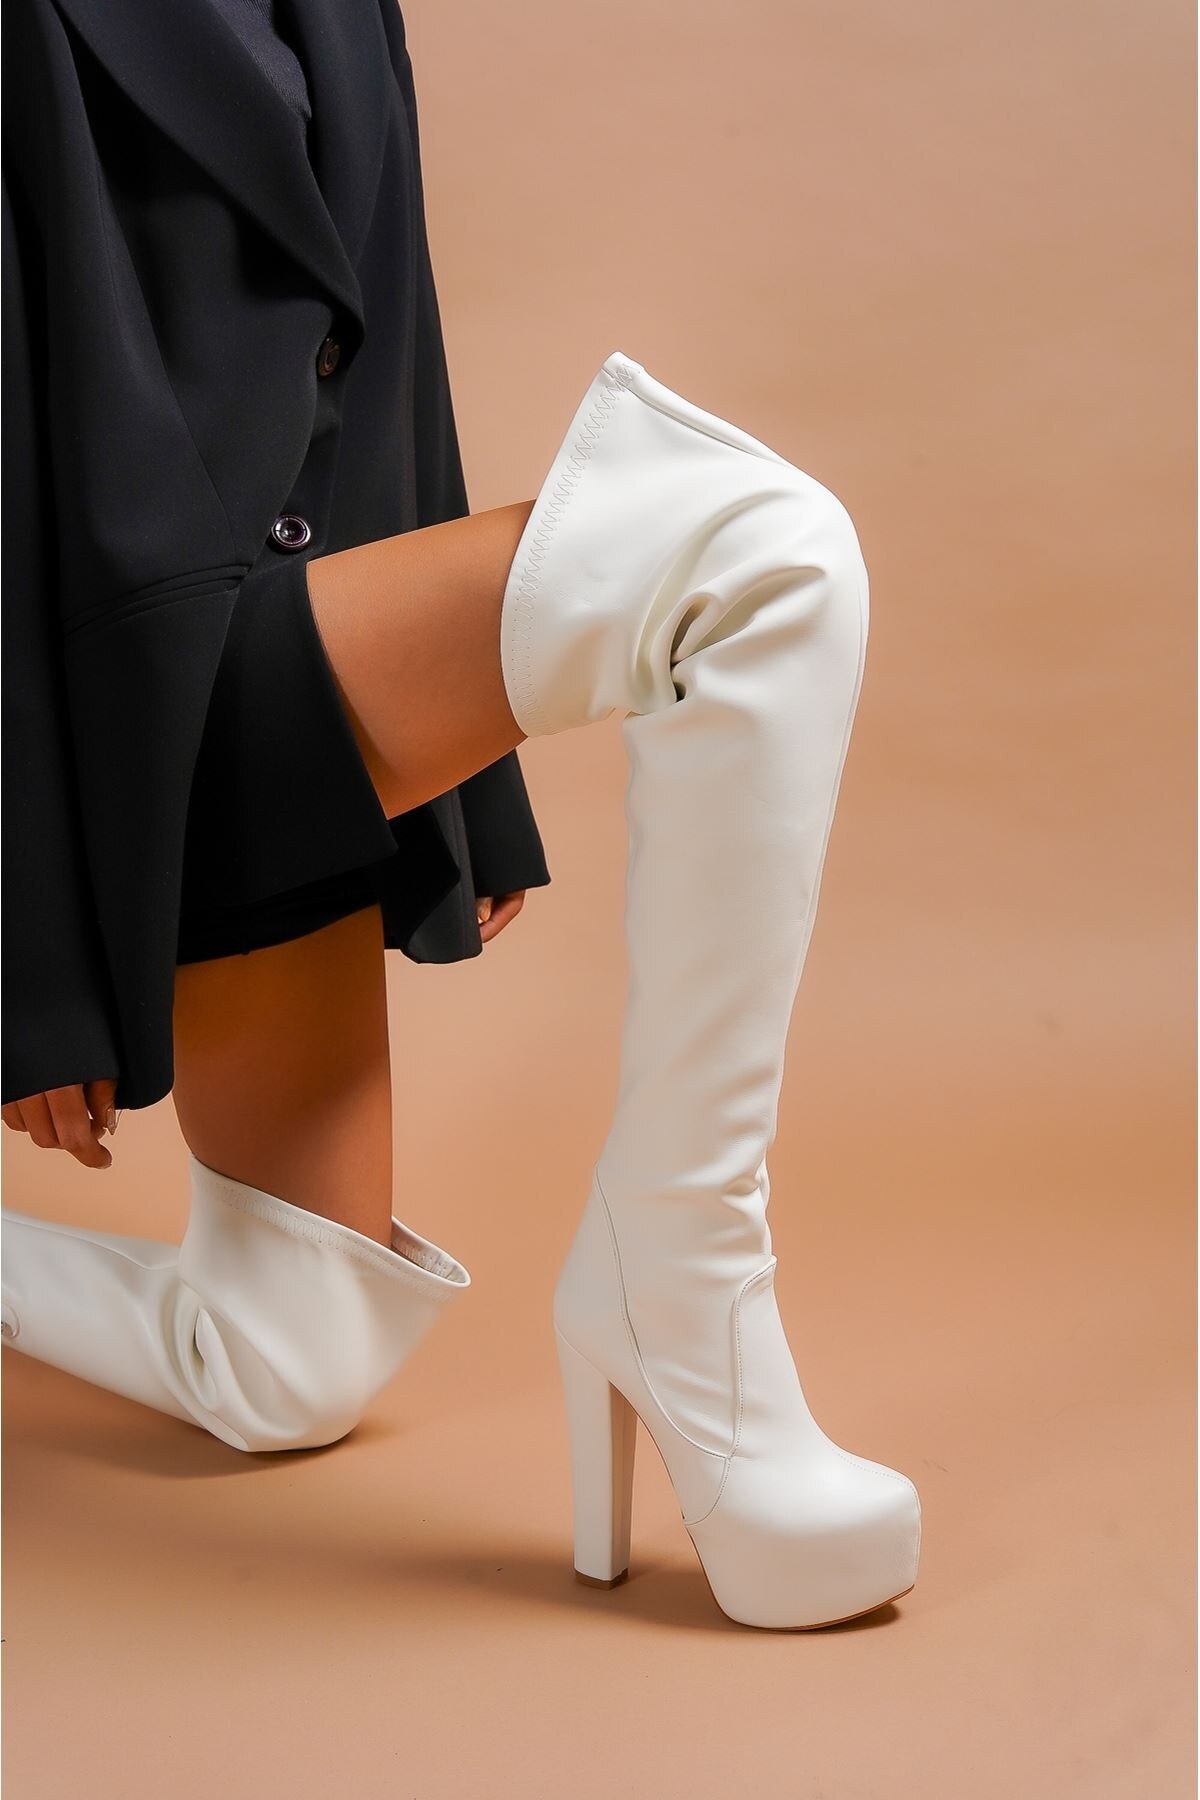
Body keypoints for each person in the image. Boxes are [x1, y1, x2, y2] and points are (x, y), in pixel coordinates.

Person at [1, 0, 921, 1630]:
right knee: (765, 554)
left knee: (289, 1358)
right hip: (117, 706)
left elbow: (385, 334)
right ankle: (681, 1281)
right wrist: (30, 948)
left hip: (287, 668)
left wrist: (465, 776)